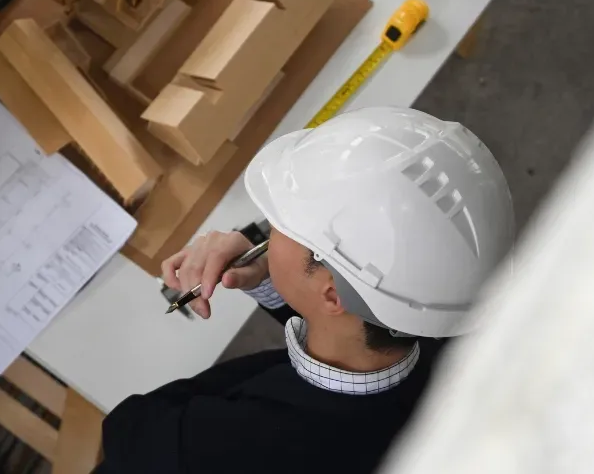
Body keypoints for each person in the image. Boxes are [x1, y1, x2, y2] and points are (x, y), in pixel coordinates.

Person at [95, 108, 516, 474]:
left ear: (332, 294)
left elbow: (129, 429)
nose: (266, 229)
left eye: (284, 227)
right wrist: (271, 277)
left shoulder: (226, 444)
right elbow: (354, 320)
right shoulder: (439, 342)